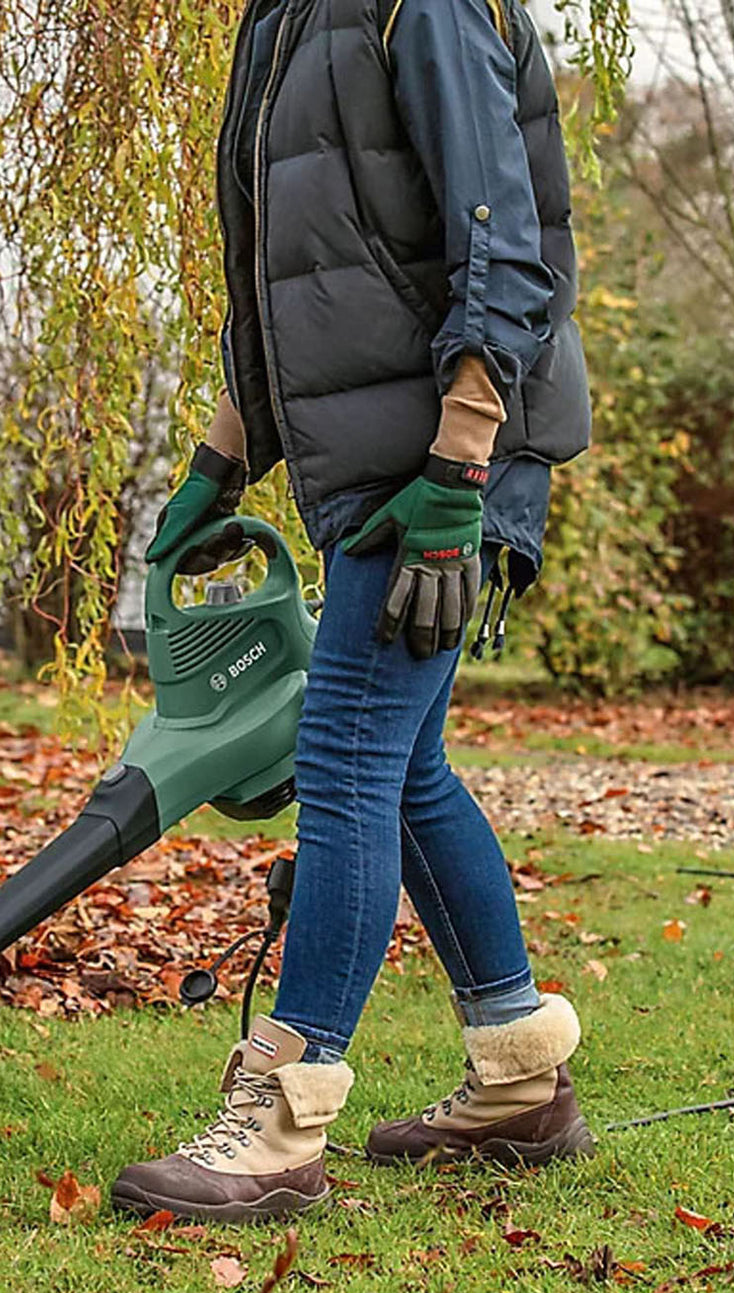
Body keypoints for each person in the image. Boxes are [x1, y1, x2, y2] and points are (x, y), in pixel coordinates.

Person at [110, 0, 595, 1224]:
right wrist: (221, 462)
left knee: (344, 756)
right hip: (379, 451)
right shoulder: (279, 22)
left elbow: (506, 239)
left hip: (436, 461)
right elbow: (282, 284)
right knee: (407, 765)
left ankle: (284, 1115)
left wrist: (462, 466)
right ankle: (519, 1073)